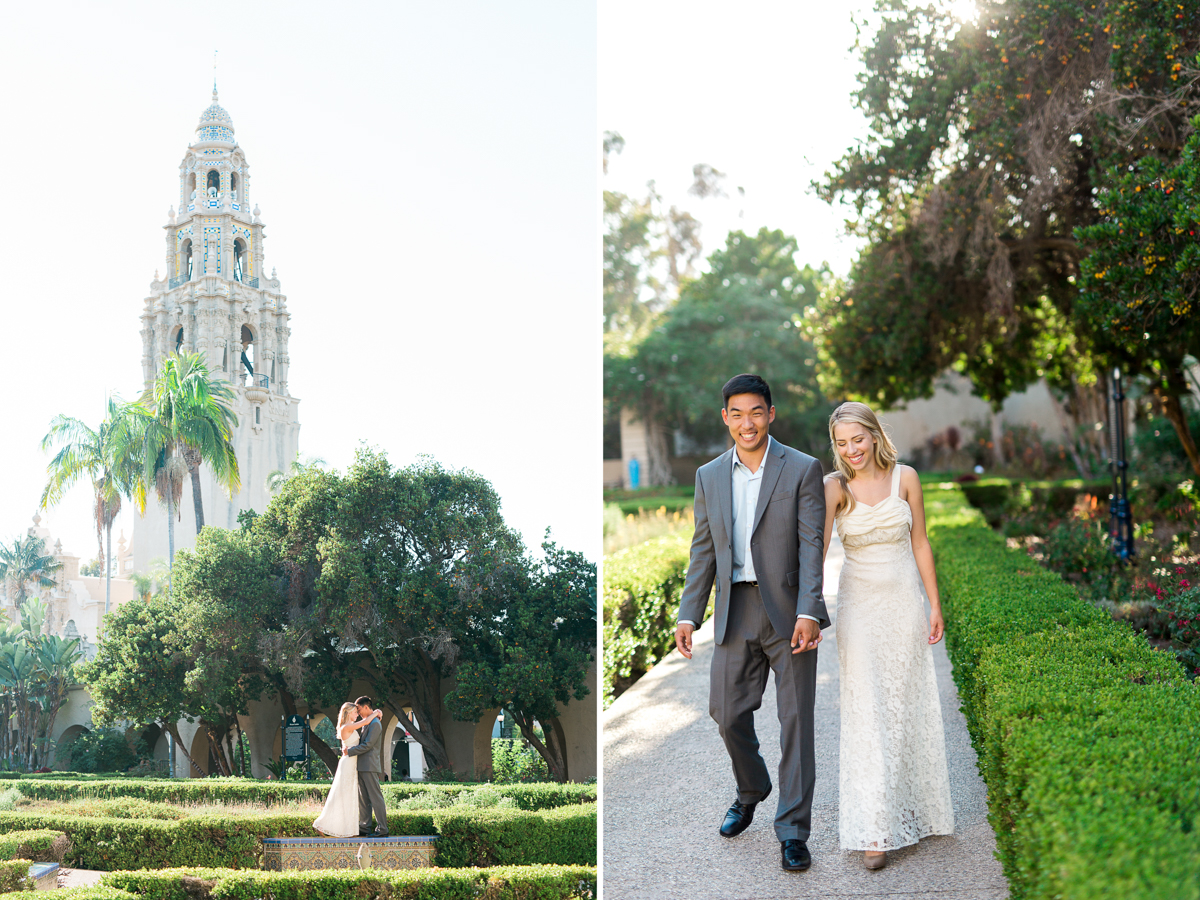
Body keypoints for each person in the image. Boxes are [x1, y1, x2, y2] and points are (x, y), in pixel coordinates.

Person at [674, 373, 828, 873]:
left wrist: (810, 610)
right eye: (737, 413)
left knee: (796, 720)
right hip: (734, 609)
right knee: (726, 713)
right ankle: (752, 787)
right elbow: (703, 551)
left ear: (771, 414)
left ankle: (792, 831)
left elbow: (811, 545)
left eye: (756, 412)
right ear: (725, 418)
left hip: (789, 611)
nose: (747, 422)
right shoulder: (709, 476)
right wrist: (687, 612)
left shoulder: (802, 468)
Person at [822, 401, 954, 870]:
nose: (851, 450)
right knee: (867, 709)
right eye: (842, 443)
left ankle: (912, 807)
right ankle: (874, 828)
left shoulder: (907, 478)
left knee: (905, 702)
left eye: (858, 439)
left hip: (903, 603)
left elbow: (920, 541)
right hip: (858, 607)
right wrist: (808, 614)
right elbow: (815, 555)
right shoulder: (834, 488)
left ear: (875, 435)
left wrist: (934, 604)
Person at [313, 701, 382, 837]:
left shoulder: (349, 726)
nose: (357, 714)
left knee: (350, 796)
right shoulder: (347, 726)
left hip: (352, 763)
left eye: (358, 711)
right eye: (355, 712)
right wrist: (377, 712)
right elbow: (367, 721)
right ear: (349, 713)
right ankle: (321, 823)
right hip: (348, 763)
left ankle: (349, 829)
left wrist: (376, 713)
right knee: (341, 794)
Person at [342, 695, 389, 837]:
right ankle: (365, 826)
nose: (359, 713)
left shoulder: (375, 723)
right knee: (364, 799)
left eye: (360, 709)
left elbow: (368, 745)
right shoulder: (368, 722)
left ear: (367, 707)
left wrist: (349, 751)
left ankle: (382, 829)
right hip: (362, 765)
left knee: (375, 797)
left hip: (369, 766)